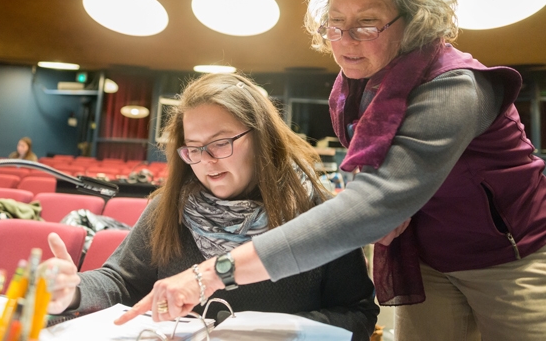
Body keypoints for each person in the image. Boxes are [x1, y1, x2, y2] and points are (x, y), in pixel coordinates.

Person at [116, 0, 546, 340]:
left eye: (367, 23)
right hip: (427, 257)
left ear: (416, 18)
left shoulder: (455, 88)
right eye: (335, 23)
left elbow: (376, 202)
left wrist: (209, 274)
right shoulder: (351, 86)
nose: (344, 41)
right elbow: (373, 169)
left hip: (510, 258)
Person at [43, 73, 379, 339]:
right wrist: (73, 293)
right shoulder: (169, 207)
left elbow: (359, 314)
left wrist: (280, 332)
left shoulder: (315, 212)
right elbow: (120, 282)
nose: (206, 161)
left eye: (220, 143)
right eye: (194, 149)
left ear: (261, 137)